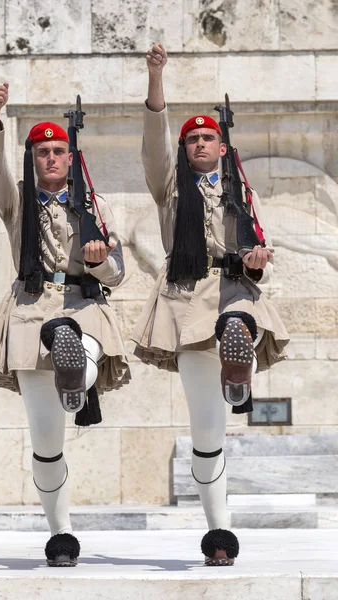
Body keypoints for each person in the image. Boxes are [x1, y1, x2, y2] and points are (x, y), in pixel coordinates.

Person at [132, 45, 289, 566]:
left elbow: (259, 253)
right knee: (207, 429)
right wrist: (156, 78)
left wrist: (260, 258)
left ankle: (237, 363)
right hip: (186, 301)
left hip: (234, 293)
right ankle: (218, 530)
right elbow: (155, 139)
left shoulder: (241, 190)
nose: (200, 143)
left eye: (207, 138)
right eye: (192, 139)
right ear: (187, 149)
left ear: (222, 147)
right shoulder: (168, 186)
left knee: (238, 320)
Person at [0, 82, 130, 567]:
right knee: (46, 440)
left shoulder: (95, 207)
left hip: (84, 309)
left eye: (60, 151)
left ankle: (77, 376)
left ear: (71, 158)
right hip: (32, 310)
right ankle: (61, 534)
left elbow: (118, 274)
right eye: (43, 152)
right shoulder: (17, 201)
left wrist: (100, 261)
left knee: (77, 346)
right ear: (33, 158)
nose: (53, 159)